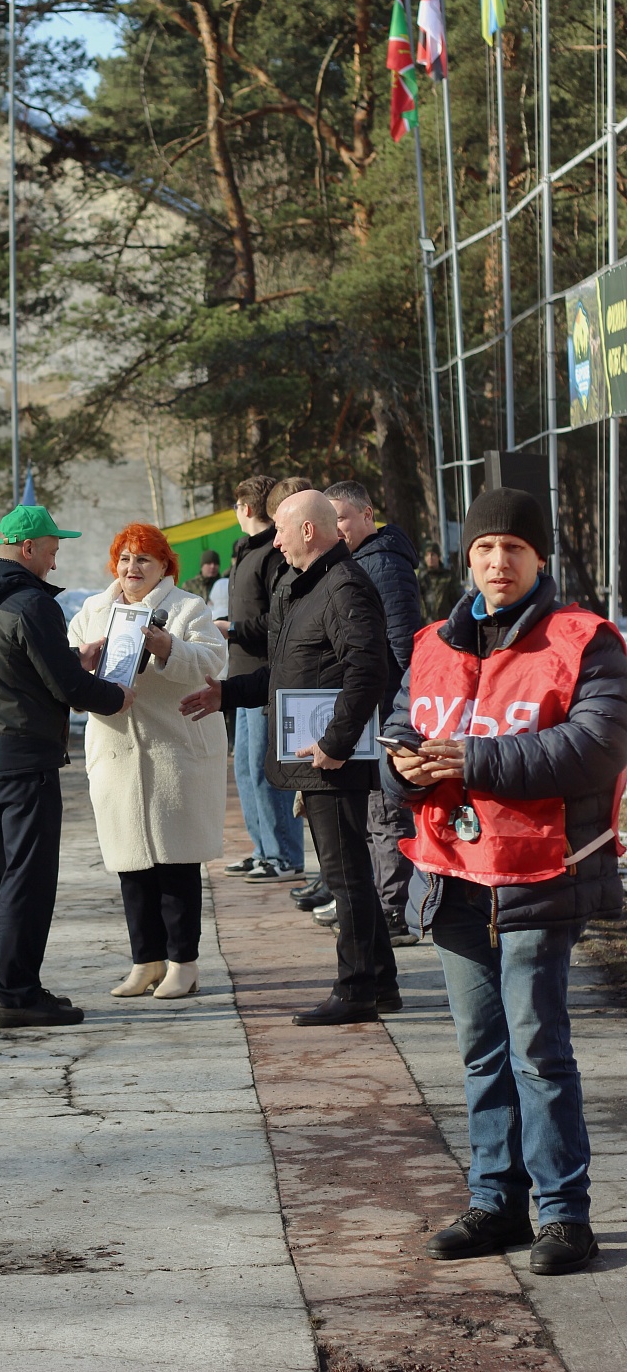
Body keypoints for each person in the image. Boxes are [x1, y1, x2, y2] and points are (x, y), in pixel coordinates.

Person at [381, 487, 627, 1274]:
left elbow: (596, 745)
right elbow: (399, 727)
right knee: (480, 1051)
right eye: (484, 548)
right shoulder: (428, 643)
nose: (496, 561)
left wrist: (474, 760)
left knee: (537, 1050)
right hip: (451, 876)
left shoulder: (587, 640)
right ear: (467, 556)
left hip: (540, 872)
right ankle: (497, 1204)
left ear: (538, 558)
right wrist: (404, 766)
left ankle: (563, 1217)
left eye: (512, 549)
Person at [182, 489, 399, 1026]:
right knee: (349, 876)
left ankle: (355, 991)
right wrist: (225, 694)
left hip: (331, 759)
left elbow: (368, 671)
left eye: (281, 529)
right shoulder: (304, 587)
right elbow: (284, 676)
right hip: (316, 755)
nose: (273, 539)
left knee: (346, 877)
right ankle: (381, 982)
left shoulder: (345, 586)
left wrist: (334, 743)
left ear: (308, 531)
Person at [0, 503, 133, 1030]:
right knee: (27, 881)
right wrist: (117, 695)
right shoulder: (31, 604)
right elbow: (69, 690)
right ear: (27, 548)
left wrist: (72, 656)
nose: (55, 562)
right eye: (52, 550)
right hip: (26, 757)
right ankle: (18, 994)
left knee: (8, 878)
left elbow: (13, 668)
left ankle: (12, 985)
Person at [68, 523, 227, 999]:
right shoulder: (93, 611)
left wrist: (168, 647)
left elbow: (212, 661)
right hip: (116, 753)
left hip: (173, 752)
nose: (131, 568)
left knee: (175, 863)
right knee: (131, 863)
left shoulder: (185, 608)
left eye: (143, 560)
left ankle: (184, 963)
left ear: (164, 567)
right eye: (124, 559)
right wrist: (82, 662)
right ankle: (146, 961)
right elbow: (68, 667)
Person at [324, 481, 422, 947]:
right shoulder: (359, 560)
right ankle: (378, 905)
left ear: (368, 514)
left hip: (386, 710)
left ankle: (393, 913)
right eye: (331, 520)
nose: (337, 528)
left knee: (387, 815)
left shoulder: (383, 564)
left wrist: (402, 715)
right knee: (373, 814)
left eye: (342, 517)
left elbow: (406, 645)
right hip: (368, 707)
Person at [221, 475, 305, 884]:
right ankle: (262, 849)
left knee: (266, 770)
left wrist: (233, 629)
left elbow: (279, 616)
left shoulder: (272, 554)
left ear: (247, 508)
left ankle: (285, 855)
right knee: (244, 769)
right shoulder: (245, 552)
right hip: (240, 675)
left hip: (264, 675)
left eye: (235, 507)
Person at [418, 541, 465, 622]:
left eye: (432, 554)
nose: (430, 558)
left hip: (445, 622)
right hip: (427, 624)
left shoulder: (448, 576)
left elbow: (458, 600)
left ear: (438, 556)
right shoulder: (421, 579)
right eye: (427, 555)